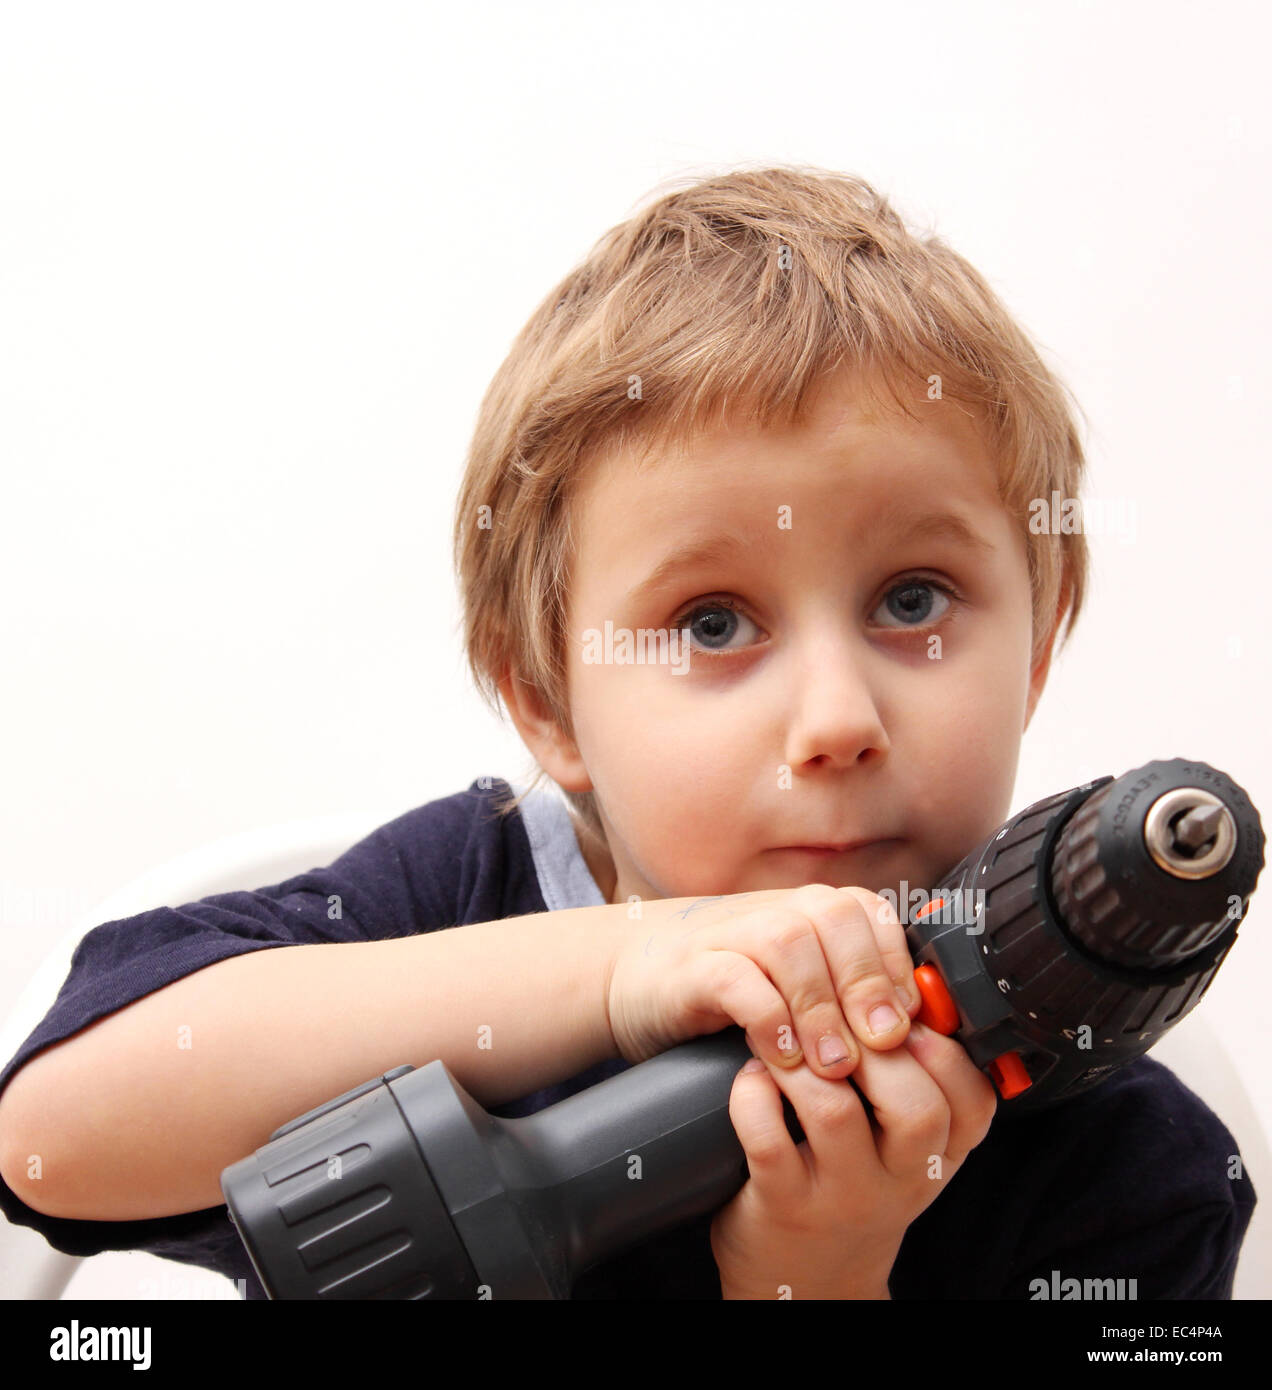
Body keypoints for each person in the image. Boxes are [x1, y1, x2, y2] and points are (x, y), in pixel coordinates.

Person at [0, 166, 1255, 1300]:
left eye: (912, 602)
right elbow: (53, 1141)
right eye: (713, 623)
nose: (836, 720)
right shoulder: (457, 898)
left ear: (1034, 656)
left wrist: (815, 1282)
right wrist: (623, 968)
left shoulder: (1138, 1187)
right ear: (550, 705)